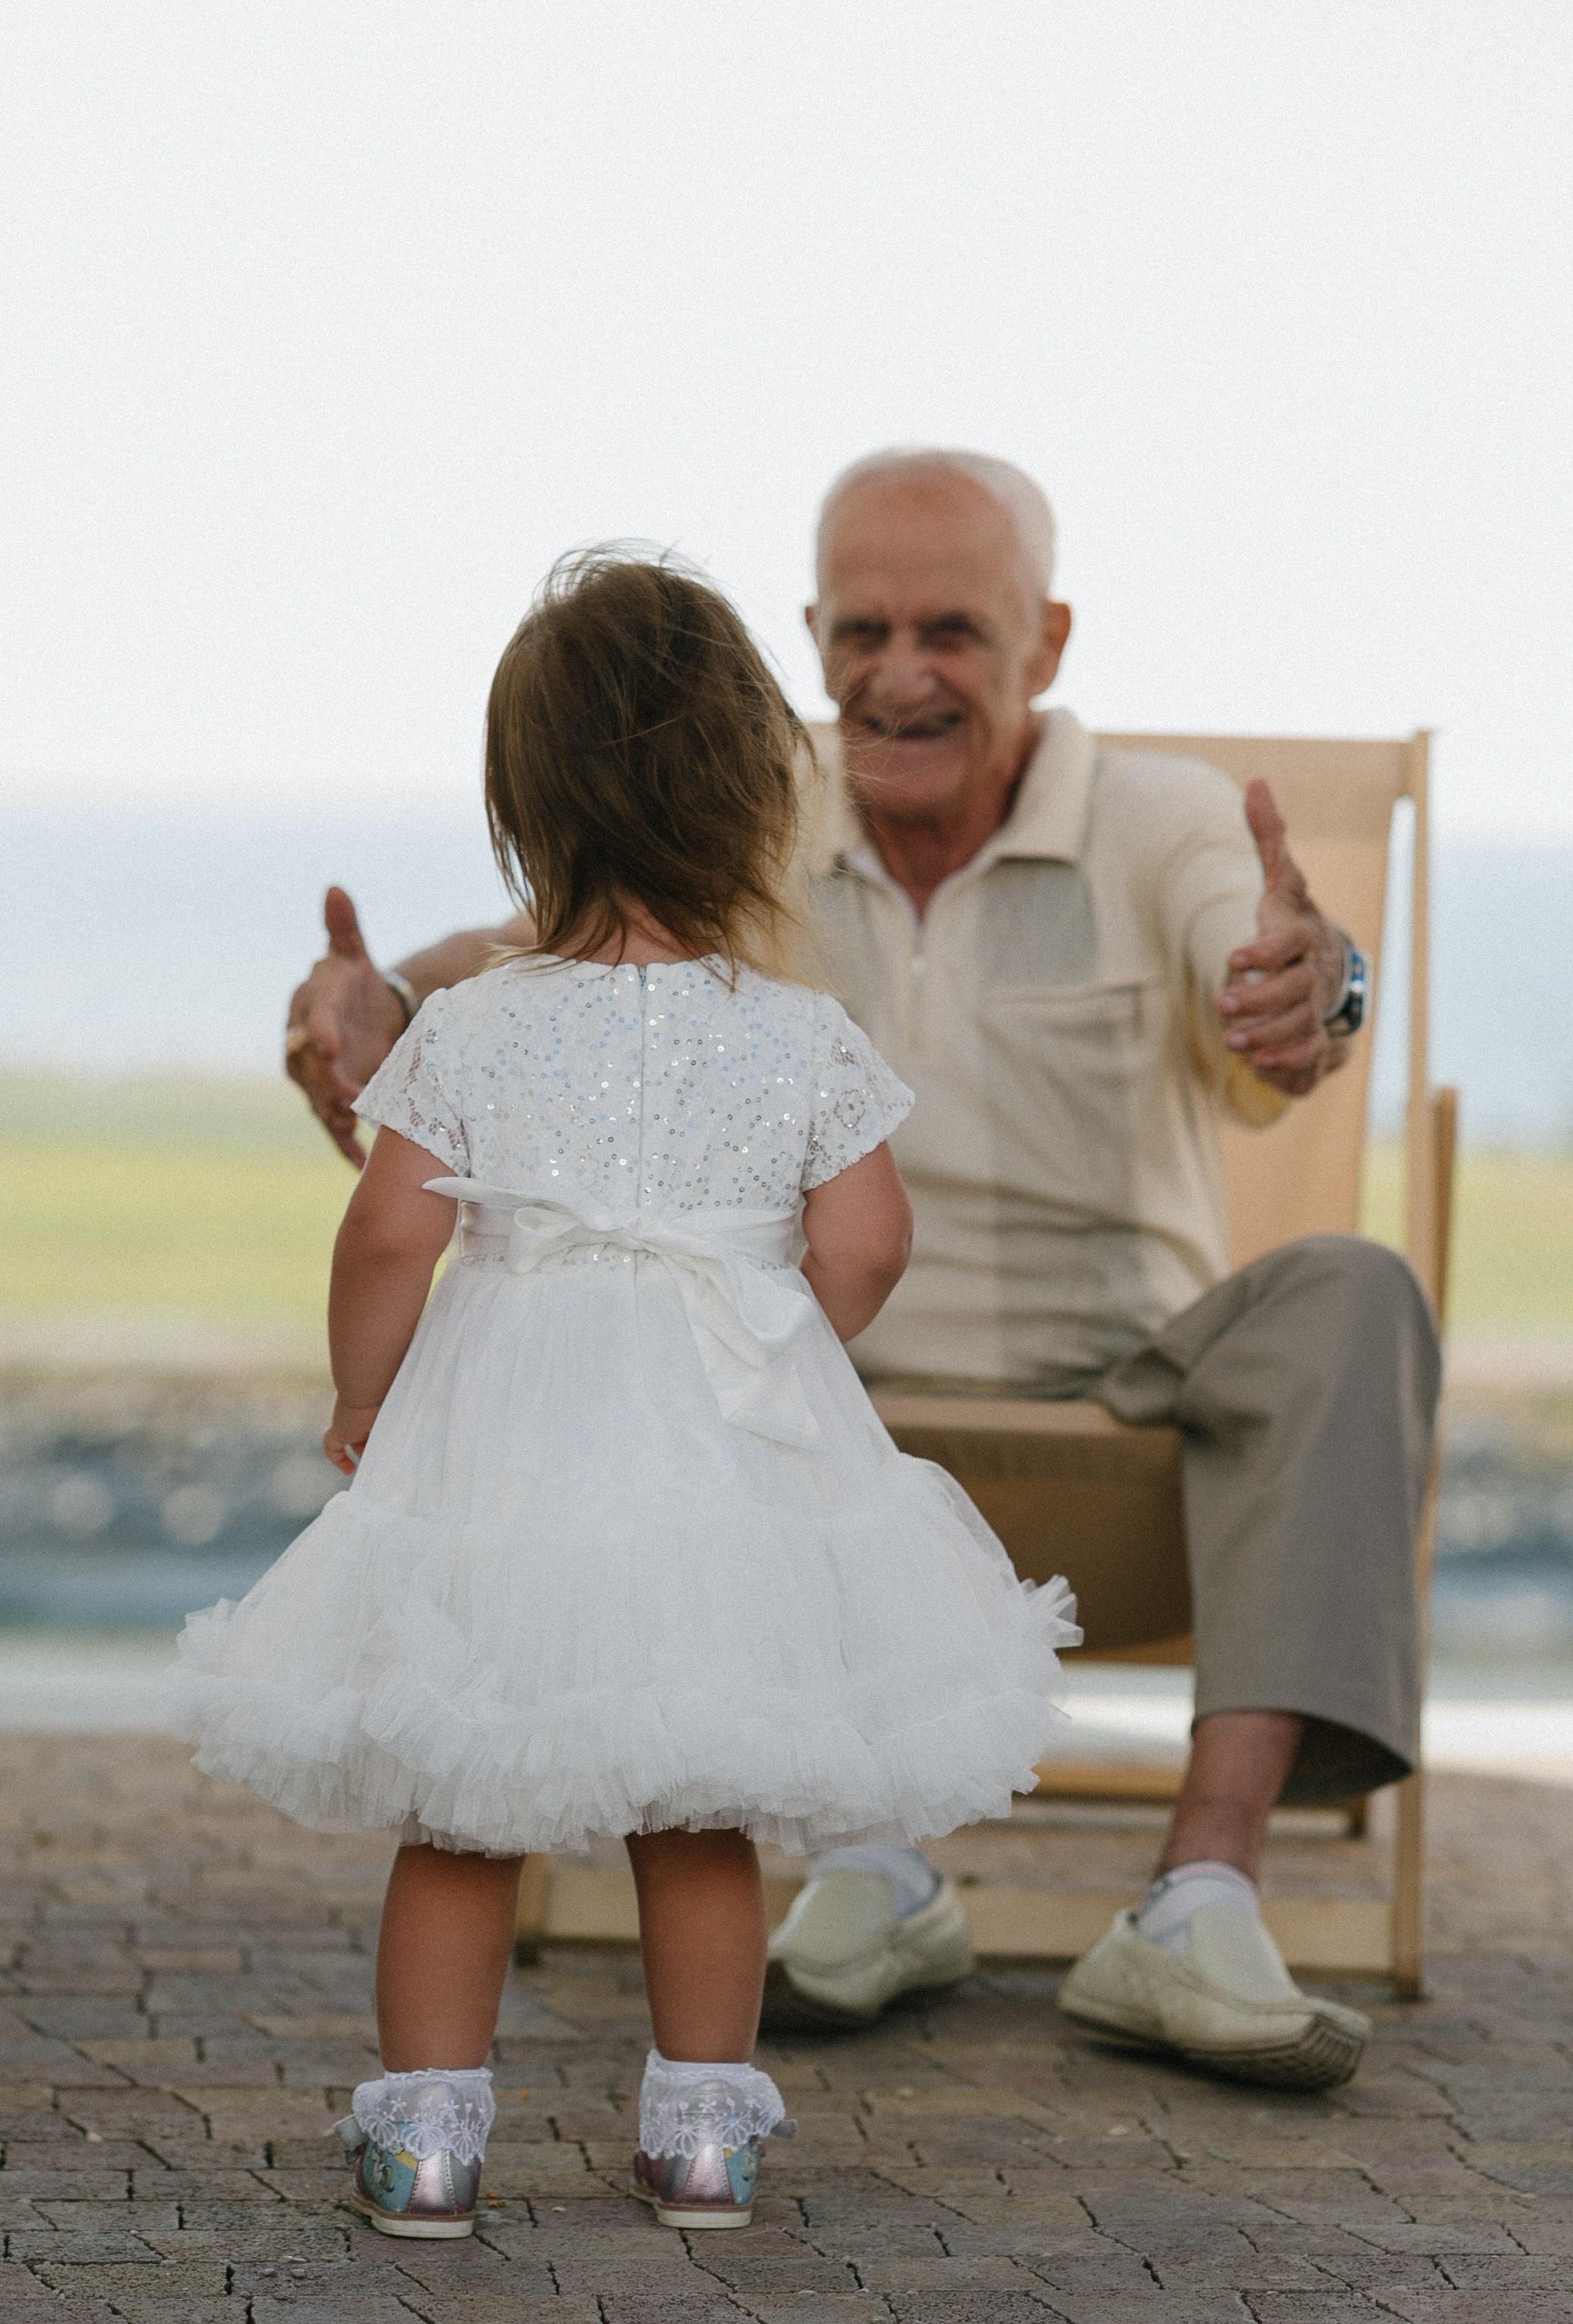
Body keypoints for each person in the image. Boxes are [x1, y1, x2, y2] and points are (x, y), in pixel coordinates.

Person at [285, 450, 1440, 2095]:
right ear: (813, 635)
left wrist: (1315, 983)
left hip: (1119, 1421)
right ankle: (869, 1867)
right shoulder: (748, 809)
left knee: (1353, 1287)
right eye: (865, 628)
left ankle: (1199, 1892)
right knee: (694, 1343)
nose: (902, 673)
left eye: (953, 630)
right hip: (811, 1436)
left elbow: (1262, 955)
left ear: (1045, 636)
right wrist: (368, 1001)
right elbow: (533, 968)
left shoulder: (1167, 815)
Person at [173, 550, 1077, 2237]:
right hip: (725, 1447)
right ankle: (703, 2143)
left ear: (523, 808)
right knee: (697, 1799)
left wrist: (366, 1400)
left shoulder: (472, 1028)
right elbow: (870, 1244)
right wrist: (779, 1337)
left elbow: (386, 1238)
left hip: (504, 1441)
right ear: (753, 794)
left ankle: (432, 2145)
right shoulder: (800, 1032)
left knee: (462, 1795)